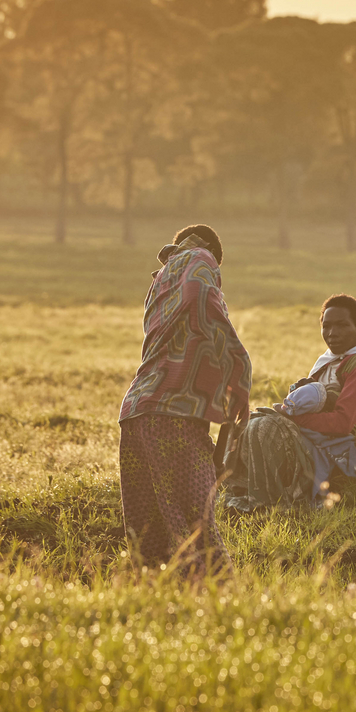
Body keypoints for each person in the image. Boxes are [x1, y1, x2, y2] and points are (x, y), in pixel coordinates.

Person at [118, 224, 251, 574]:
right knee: (197, 520)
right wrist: (239, 369)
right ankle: (224, 601)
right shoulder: (199, 257)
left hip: (136, 410)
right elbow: (202, 296)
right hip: (171, 412)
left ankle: (158, 603)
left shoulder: (160, 280)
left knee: (148, 532)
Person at [225, 294, 356, 510]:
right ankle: (250, 491)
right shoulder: (325, 363)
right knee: (249, 424)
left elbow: (343, 423)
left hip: (349, 453)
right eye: (326, 326)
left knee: (263, 428)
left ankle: (270, 502)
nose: (332, 333)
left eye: (342, 325)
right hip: (317, 443)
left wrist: (295, 419)